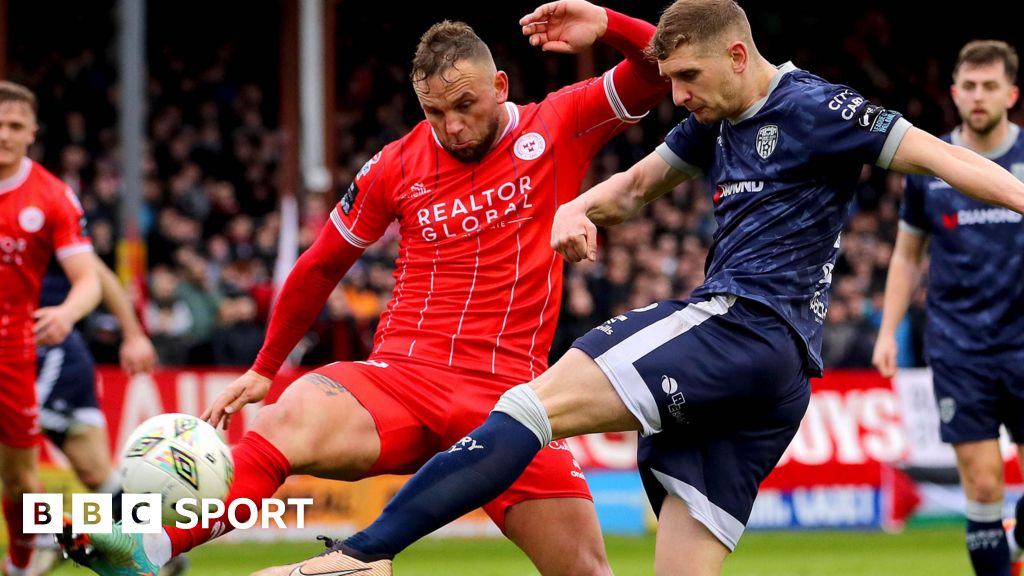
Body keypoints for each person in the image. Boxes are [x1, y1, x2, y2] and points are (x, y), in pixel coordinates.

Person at [245, 2, 1024, 575]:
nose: (677, 93)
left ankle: (361, 556)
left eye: (688, 76)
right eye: (673, 77)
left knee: (524, 407)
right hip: (777, 381)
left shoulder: (817, 105)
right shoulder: (713, 119)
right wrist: (577, 211)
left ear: (739, 55)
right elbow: (637, 185)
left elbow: (944, 160)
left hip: (741, 324)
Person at [64, 1, 669, 575]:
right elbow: (321, 264)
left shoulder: (558, 123)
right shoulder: (395, 165)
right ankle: (151, 545)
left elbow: (657, 69)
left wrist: (606, 21)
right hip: (401, 378)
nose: (452, 127)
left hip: (511, 398)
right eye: (435, 112)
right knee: (282, 420)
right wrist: (266, 365)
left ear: (501, 87)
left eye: (465, 105)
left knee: (585, 568)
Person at [873, 40, 1024, 576]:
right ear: (956, 93)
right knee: (984, 485)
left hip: (1023, 340)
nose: (978, 97)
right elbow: (908, 253)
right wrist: (888, 330)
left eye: (990, 87)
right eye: (970, 87)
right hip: (960, 345)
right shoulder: (929, 164)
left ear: (1011, 93)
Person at [0, 80, 101, 576]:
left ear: (32, 132)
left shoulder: (52, 197)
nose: (3, 135)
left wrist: (66, 312)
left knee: (20, 480)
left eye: (15, 125)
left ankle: (29, 562)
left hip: (14, 352)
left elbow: (90, 281)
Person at [29, 257, 173, 575]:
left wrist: (133, 335)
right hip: (35, 356)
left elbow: (96, 271)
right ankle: (158, 544)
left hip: (48, 354)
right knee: (98, 475)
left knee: (15, 454)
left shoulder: (45, 210)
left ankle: (44, 539)